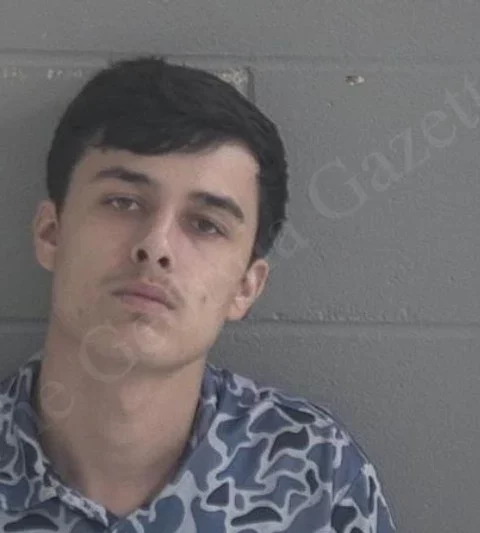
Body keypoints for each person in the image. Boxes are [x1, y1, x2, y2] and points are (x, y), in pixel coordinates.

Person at [0, 56, 397, 532]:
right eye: (123, 202)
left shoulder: (316, 475)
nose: (156, 246)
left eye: (206, 225)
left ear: (246, 287)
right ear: (51, 233)